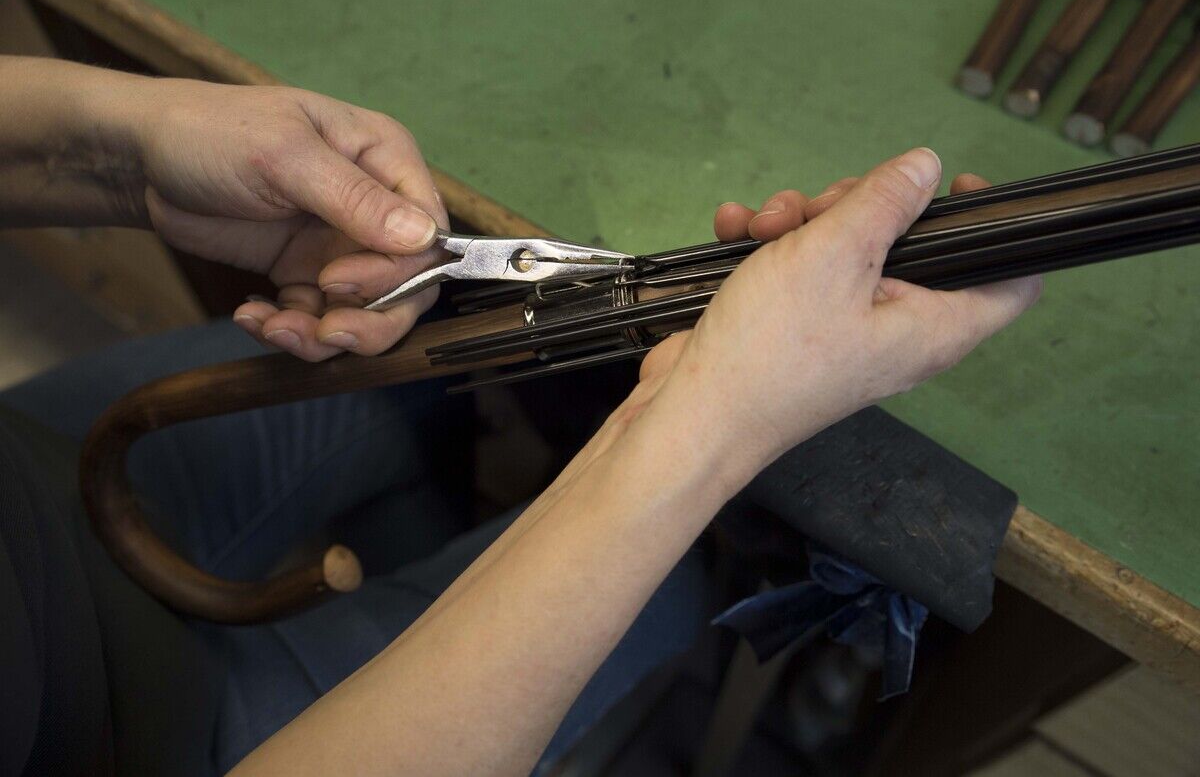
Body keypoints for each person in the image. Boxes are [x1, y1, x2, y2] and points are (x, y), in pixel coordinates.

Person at [0, 56, 1040, 776]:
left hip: (42, 488)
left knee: (411, 375)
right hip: (153, 743)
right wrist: (707, 428)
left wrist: (124, 147)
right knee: (679, 586)